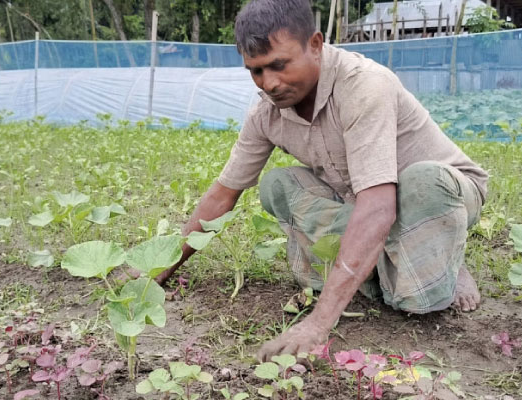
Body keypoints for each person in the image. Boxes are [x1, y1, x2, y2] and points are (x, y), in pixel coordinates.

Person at [155, 0, 488, 362]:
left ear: (315, 44)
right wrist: (157, 271)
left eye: (279, 65)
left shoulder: (364, 86)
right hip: (359, 201)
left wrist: (318, 324)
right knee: (279, 185)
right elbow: (223, 194)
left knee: (421, 200)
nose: (270, 83)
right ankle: (386, 263)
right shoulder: (267, 112)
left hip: (438, 195)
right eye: (256, 71)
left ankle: (448, 261)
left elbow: (378, 207)